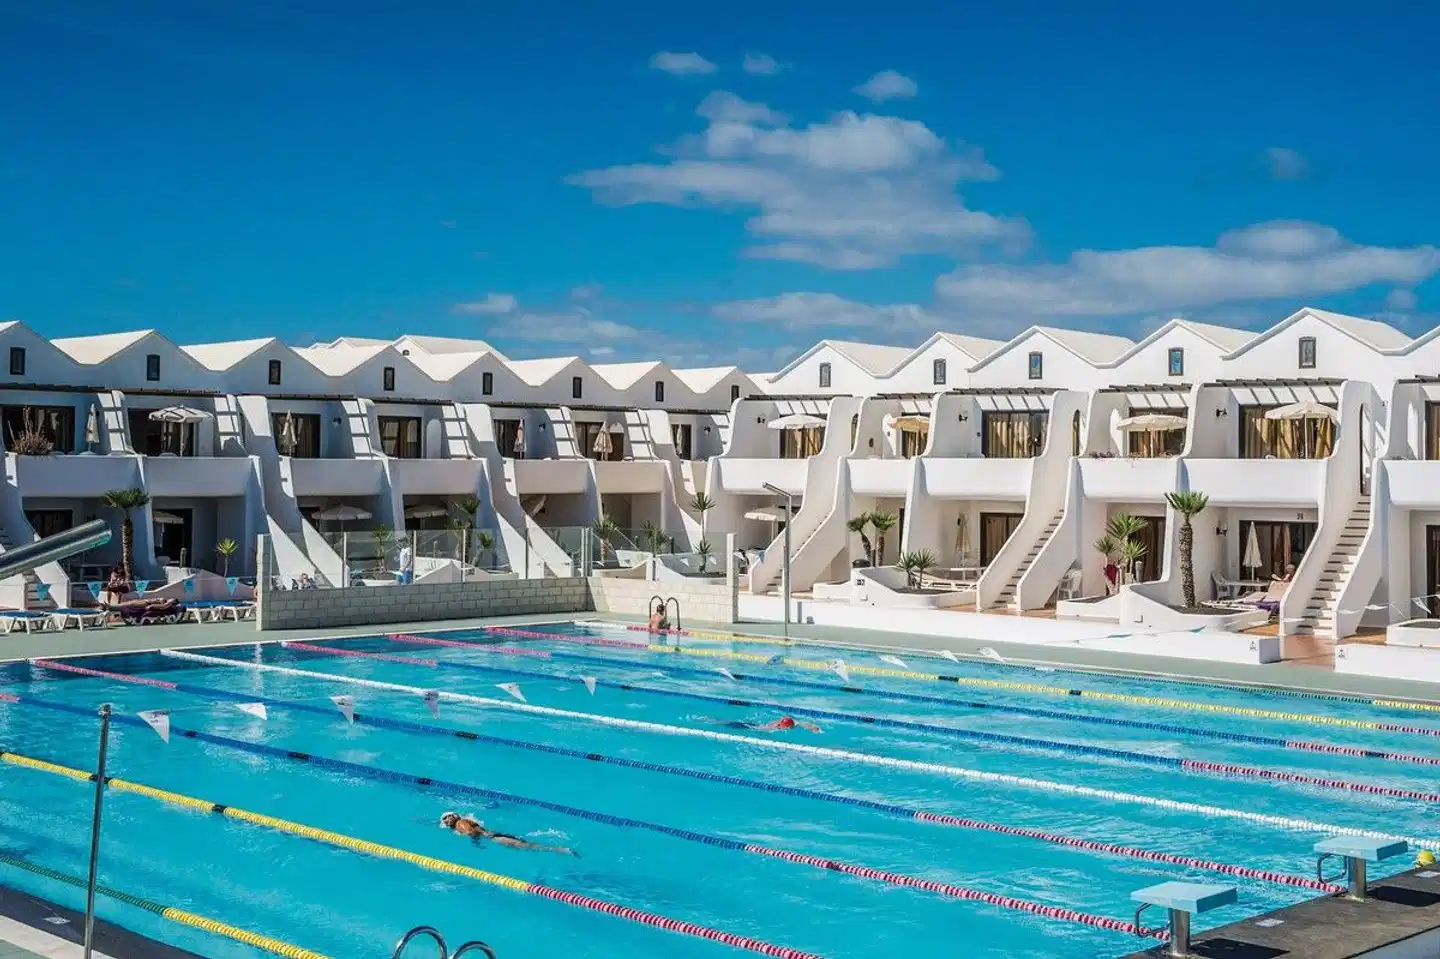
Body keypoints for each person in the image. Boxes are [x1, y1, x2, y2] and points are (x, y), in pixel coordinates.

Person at [438, 812, 578, 856]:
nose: (445, 821)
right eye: (443, 820)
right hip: (494, 835)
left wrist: (476, 845)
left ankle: (562, 850)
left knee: (528, 847)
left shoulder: (460, 823)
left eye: (446, 817)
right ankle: (561, 849)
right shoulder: (463, 821)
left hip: (495, 839)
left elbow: (471, 832)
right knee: (526, 844)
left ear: (454, 815)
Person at [707, 715, 821, 733]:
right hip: (756, 728)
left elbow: (802, 723)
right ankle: (714, 721)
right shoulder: (777, 727)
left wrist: (813, 728)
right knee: (737, 725)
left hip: (757, 725)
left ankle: (715, 721)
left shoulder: (792, 723)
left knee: (735, 724)